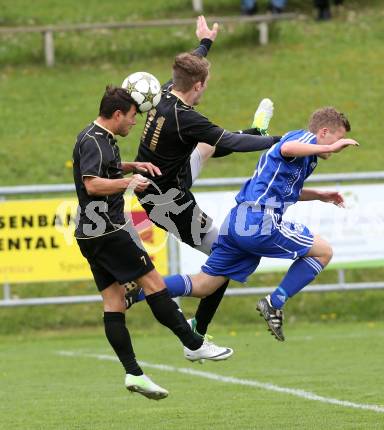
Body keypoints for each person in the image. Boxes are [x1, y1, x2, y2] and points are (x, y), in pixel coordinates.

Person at [125, 16, 280, 341]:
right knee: (229, 255)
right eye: (204, 85)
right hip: (169, 203)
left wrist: (205, 43)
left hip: (164, 179)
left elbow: (191, 68)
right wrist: (282, 142)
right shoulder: (186, 118)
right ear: (197, 86)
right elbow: (231, 143)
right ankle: (194, 326)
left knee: (207, 145)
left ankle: (258, 131)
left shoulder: (166, 92)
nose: (204, 89)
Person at [72, 86, 233, 400]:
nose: (134, 123)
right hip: (108, 230)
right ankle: (194, 343)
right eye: (132, 117)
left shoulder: (97, 137)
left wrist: (132, 167)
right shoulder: (95, 141)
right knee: (153, 282)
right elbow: (92, 184)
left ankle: (134, 374)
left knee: (114, 301)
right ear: (117, 114)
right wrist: (129, 181)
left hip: (89, 234)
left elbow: (101, 170)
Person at [148, 107, 359, 341]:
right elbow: (286, 148)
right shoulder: (302, 139)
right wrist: (329, 147)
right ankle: (274, 302)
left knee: (203, 286)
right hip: (260, 221)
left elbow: (285, 190)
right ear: (324, 131)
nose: (339, 147)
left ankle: (138, 289)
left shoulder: (308, 156)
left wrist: (319, 195)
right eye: (339, 139)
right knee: (324, 252)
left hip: (238, 220)